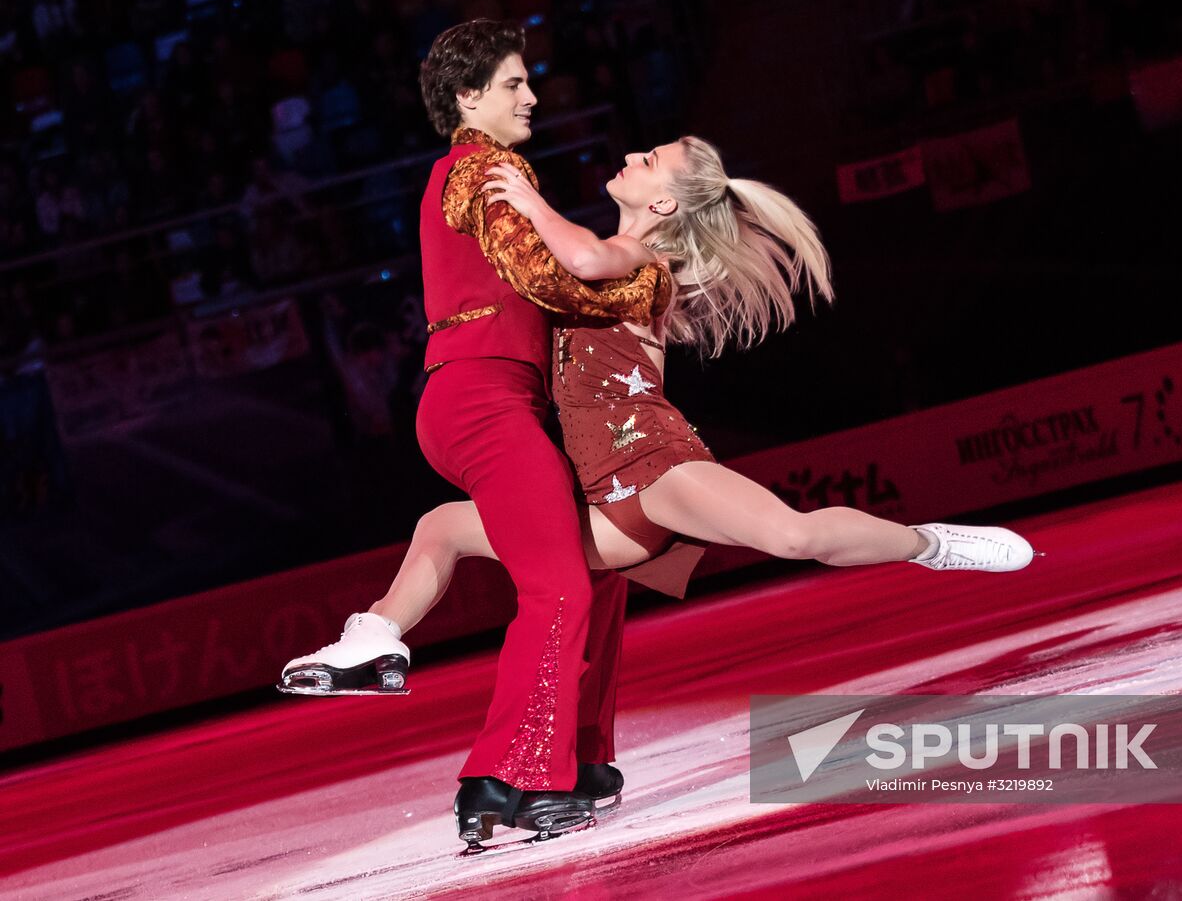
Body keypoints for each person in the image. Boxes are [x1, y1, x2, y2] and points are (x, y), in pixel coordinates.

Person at [284, 115, 1038, 846]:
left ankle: (932, 542)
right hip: (603, 500)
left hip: (653, 463)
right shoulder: (601, 251)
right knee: (439, 527)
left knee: (791, 533)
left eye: (652, 158)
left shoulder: (640, 262)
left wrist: (526, 197)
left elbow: (580, 260)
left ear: (665, 204)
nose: (635, 154)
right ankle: (373, 638)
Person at [281, 20, 675, 848]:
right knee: (560, 584)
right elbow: (542, 275)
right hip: (482, 400)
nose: (531, 95)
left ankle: (579, 754)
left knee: (597, 572)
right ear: (469, 97)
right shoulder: (487, 166)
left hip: (489, 397)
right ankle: (510, 778)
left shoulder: (473, 169)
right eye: (513, 83)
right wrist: (641, 284)